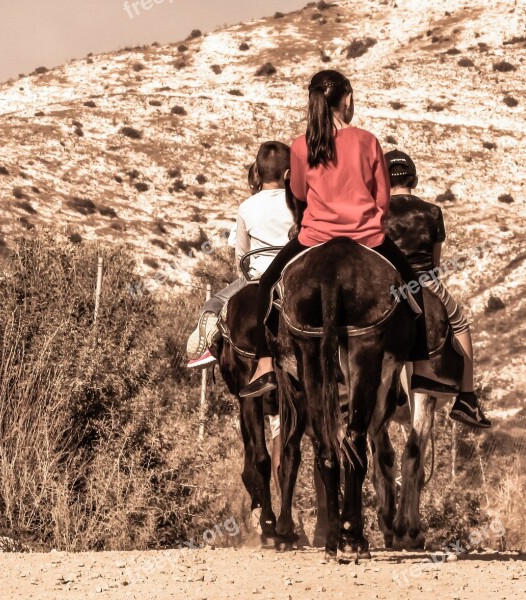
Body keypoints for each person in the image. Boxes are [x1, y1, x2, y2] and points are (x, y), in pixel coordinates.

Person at [239, 69, 458, 400]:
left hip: (314, 236)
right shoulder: (368, 141)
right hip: (367, 236)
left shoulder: (300, 146)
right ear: (348, 100)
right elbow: (382, 199)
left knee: (268, 281)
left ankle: (265, 363)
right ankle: (423, 368)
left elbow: (297, 191)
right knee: (413, 284)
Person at [384, 149, 490, 428]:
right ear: (414, 180)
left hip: (388, 285)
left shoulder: (375, 211)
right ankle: (467, 398)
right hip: (424, 281)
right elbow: (436, 262)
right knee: (461, 323)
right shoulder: (432, 211)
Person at [186, 141, 295, 369]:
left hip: (257, 276)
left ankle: (210, 334)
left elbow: (242, 255)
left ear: (258, 172)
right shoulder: (296, 204)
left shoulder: (247, 207)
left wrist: (243, 276)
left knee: (215, 301)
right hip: (291, 276)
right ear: (288, 173)